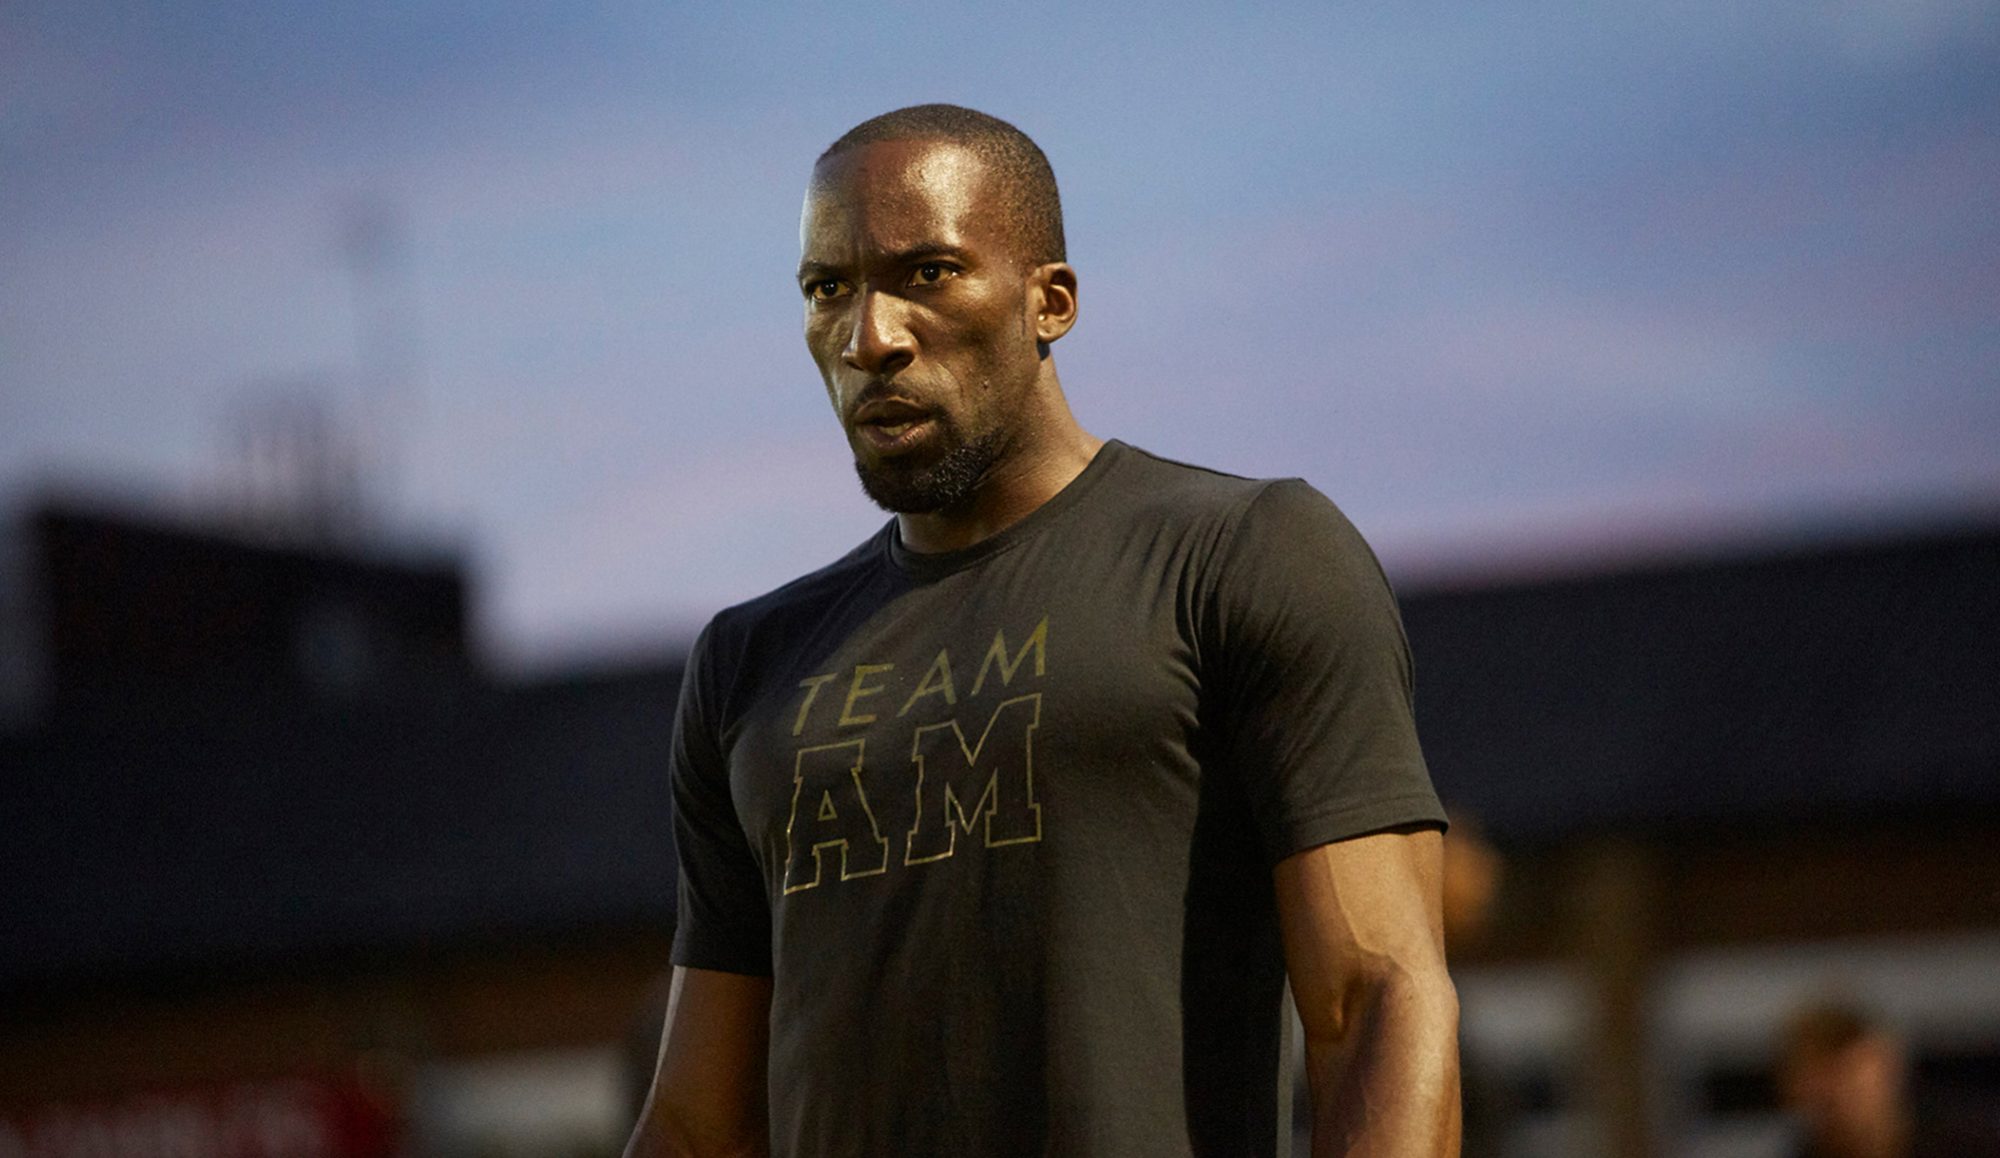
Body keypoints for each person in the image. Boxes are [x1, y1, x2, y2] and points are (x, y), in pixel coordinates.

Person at [624, 103, 1459, 1158]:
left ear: (1048, 302)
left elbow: (1378, 998)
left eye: (927, 273)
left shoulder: (1242, 555)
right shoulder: (750, 665)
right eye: (828, 289)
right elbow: (696, 1125)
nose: (870, 338)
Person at [1778, 999, 2000, 1158]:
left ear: (1888, 1064)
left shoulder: (1972, 1142)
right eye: (1822, 1078)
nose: (1839, 1092)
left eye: (1850, 1073)